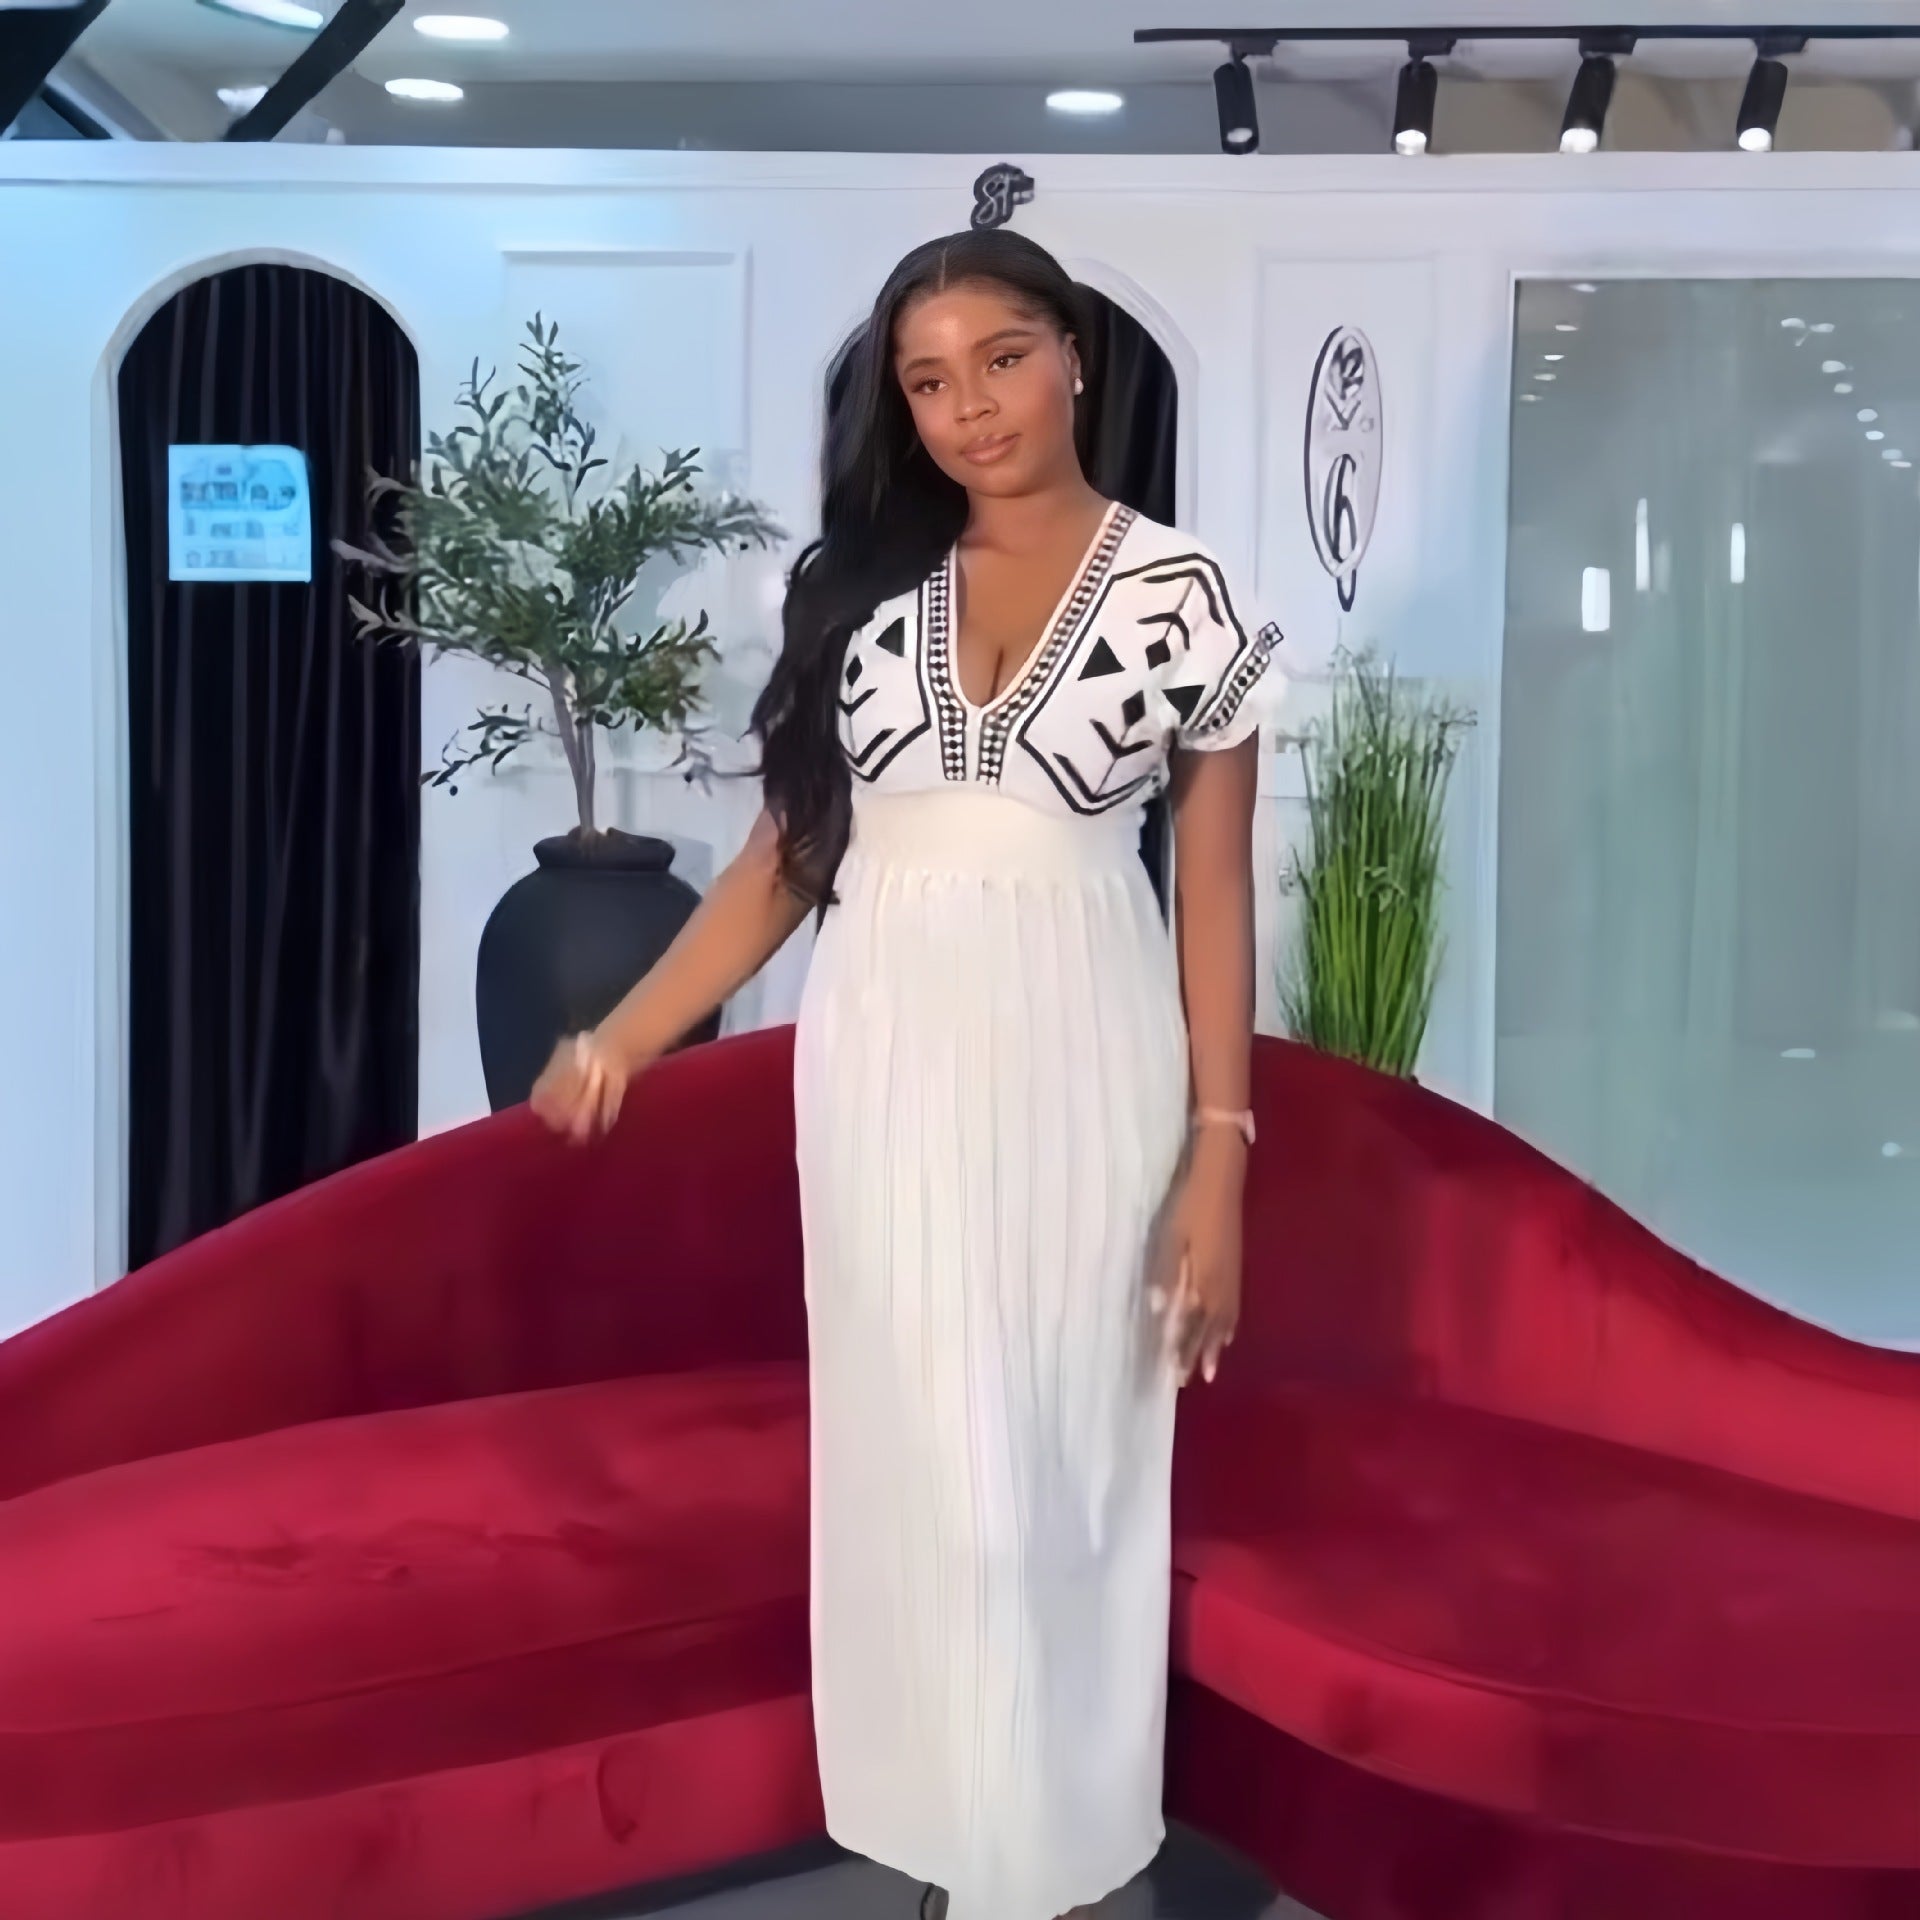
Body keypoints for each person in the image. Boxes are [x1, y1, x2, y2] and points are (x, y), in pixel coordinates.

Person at [531, 228, 1281, 1920]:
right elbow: (787, 862)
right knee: (925, 1469)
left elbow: (1217, 892)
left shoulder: (1180, 597)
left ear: (1074, 353)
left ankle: (1054, 1857)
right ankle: (959, 1844)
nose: (970, 408)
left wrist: (1220, 1153)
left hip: (1085, 1065)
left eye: (1001, 359)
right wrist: (629, 1034)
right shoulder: (868, 596)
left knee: (1060, 1473)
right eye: (929, 382)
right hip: (881, 1069)